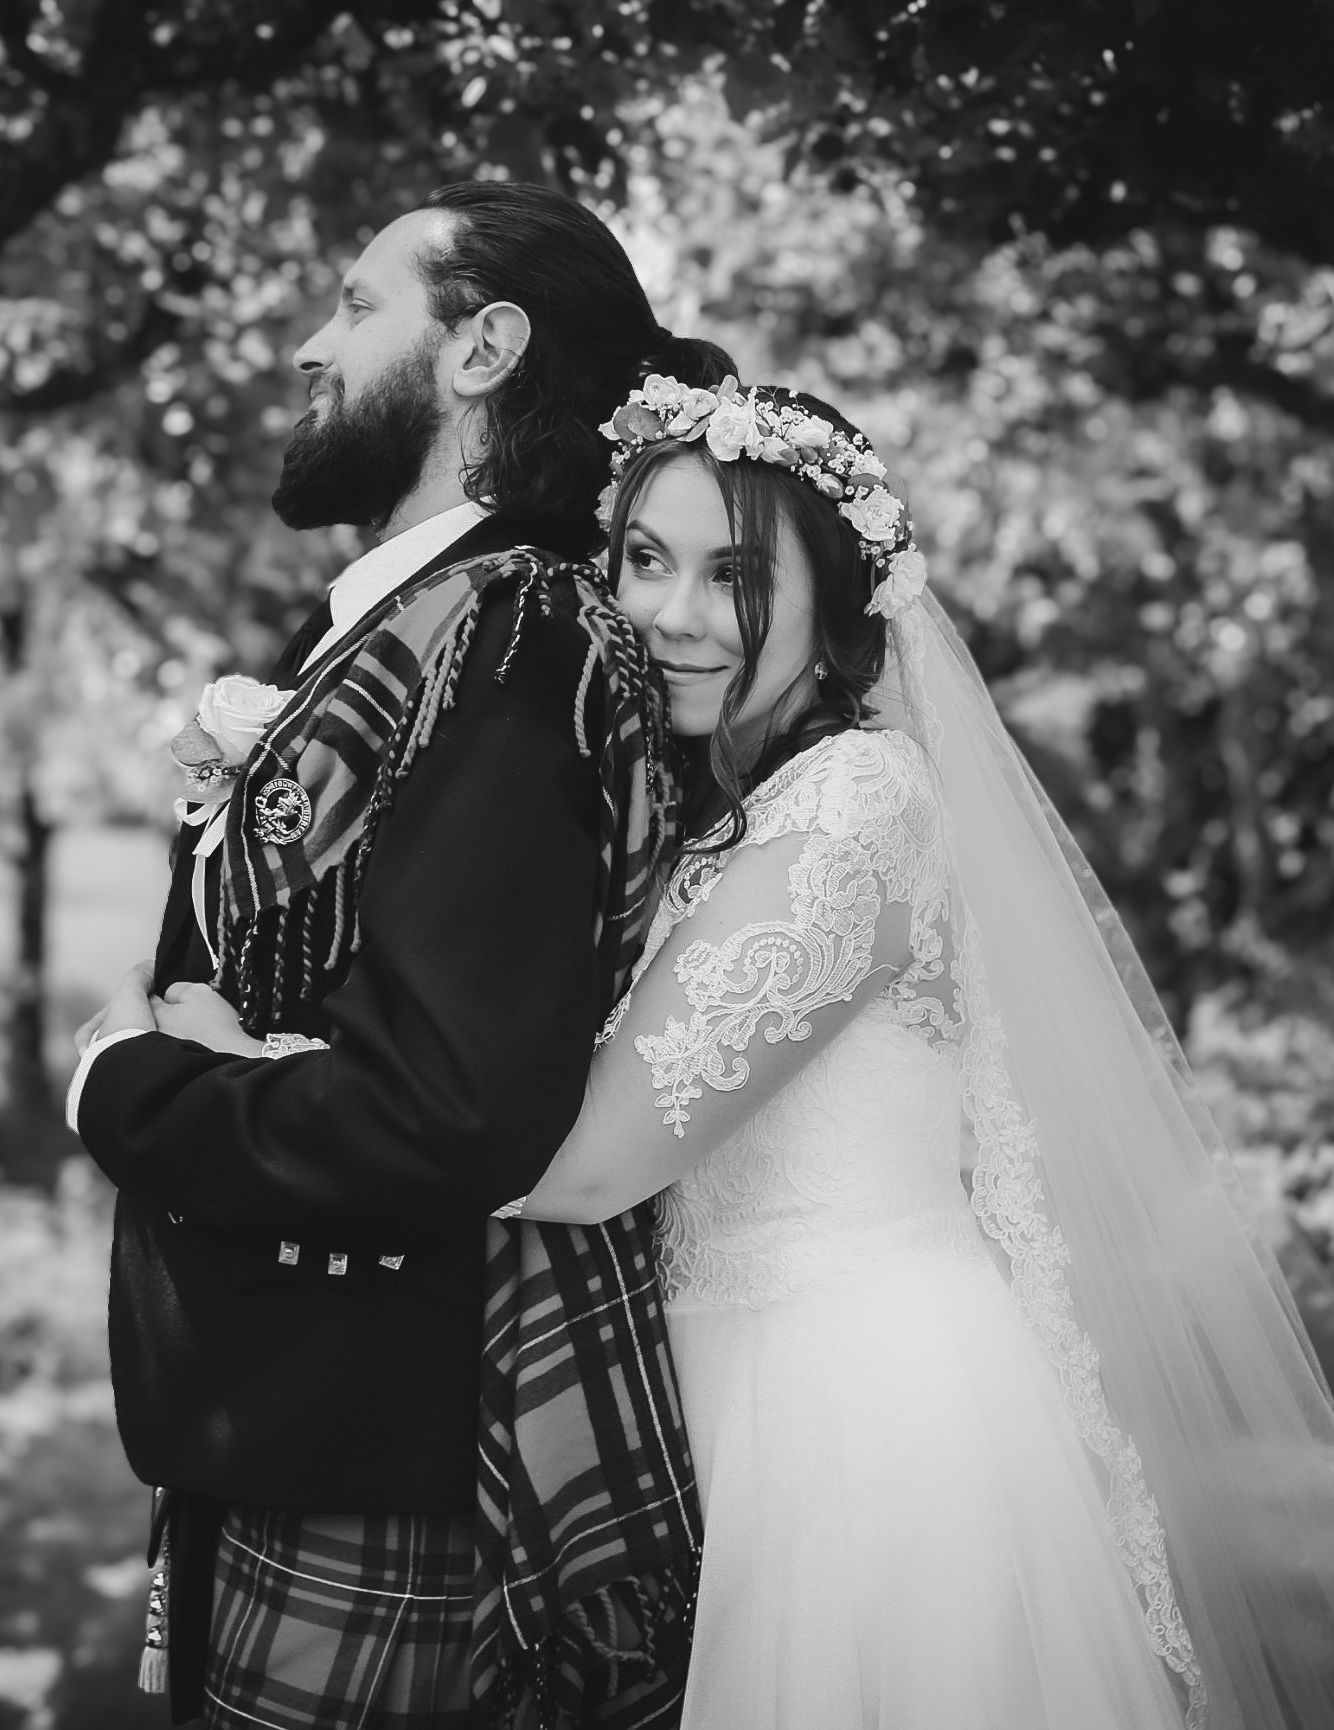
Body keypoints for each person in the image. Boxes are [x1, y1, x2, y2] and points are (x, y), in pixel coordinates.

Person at [498, 376, 1334, 1727]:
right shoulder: (723, 805)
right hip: (738, 1391)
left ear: (834, 609)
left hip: (864, 1416)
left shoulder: (853, 804)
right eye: (643, 560)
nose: (669, 614)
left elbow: (593, 1161)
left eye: (732, 575)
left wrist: (278, 1084)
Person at [67, 184, 733, 1728]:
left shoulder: (516, 634)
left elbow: (443, 1106)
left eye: (356, 306)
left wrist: (125, 1084)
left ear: (483, 347)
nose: (311, 343)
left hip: (394, 1455)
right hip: (286, 1415)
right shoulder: (431, 621)